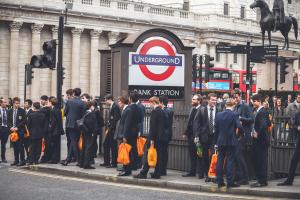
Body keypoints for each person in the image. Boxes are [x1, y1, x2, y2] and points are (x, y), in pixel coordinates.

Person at [134, 96, 165, 179]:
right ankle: (157, 173)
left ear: (153, 102)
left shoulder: (155, 111)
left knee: (148, 155)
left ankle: (143, 173)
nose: (149, 105)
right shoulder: (161, 111)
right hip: (159, 138)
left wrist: (152, 139)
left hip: (154, 138)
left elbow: (154, 127)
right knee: (157, 156)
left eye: (150, 103)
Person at [215, 98, 242, 188]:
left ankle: (219, 181)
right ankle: (230, 182)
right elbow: (239, 126)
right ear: (233, 106)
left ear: (225, 105)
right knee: (230, 161)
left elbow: (216, 129)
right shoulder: (235, 114)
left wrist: (216, 141)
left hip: (220, 140)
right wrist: (240, 135)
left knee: (220, 160)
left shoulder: (218, 115)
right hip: (231, 141)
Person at [196, 93, 219, 182]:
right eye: (212, 100)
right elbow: (198, 124)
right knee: (205, 156)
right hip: (204, 136)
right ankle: (207, 175)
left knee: (214, 155)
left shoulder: (219, 110)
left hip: (214, 136)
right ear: (208, 100)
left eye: (215, 100)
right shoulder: (202, 110)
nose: (214, 102)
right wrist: (197, 135)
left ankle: (213, 174)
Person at [233, 88, 254, 185]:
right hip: (236, 135)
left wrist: (241, 118)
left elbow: (251, 119)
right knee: (237, 157)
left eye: (236, 97)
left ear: (240, 96)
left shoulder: (245, 106)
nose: (235, 99)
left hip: (243, 135)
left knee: (240, 156)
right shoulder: (235, 107)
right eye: (233, 97)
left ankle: (245, 178)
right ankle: (239, 177)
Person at [118, 92, 142, 176]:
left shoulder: (129, 109)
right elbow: (139, 121)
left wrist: (124, 136)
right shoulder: (139, 108)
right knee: (133, 151)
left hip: (128, 134)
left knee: (126, 151)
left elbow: (127, 123)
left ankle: (126, 169)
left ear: (130, 99)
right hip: (134, 133)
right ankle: (132, 166)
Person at [250, 94, 271, 187]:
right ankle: (262, 180)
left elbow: (263, 124)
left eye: (254, 101)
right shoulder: (262, 111)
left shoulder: (262, 111)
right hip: (262, 140)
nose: (253, 103)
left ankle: (261, 181)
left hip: (260, 141)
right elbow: (268, 123)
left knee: (260, 161)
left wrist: (257, 132)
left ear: (258, 101)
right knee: (260, 160)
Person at [61, 88, 85, 166]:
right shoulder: (82, 103)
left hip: (70, 124)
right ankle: (71, 159)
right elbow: (83, 115)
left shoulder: (69, 102)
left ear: (74, 93)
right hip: (78, 125)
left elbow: (65, 112)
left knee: (73, 142)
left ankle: (77, 160)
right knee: (74, 142)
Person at [277, 109, 300, 186]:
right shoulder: (298, 113)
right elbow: (293, 125)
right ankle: (289, 181)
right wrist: (297, 127)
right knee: (294, 160)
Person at [182, 94, 202, 178]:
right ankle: (192, 171)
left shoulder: (202, 109)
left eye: (194, 99)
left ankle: (201, 173)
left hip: (198, 137)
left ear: (199, 101)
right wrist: (186, 133)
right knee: (192, 154)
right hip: (191, 136)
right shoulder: (192, 109)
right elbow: (189, 122)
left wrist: (198, 136)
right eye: (192, 99)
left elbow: (202, 124)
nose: (192, 101)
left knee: (200, 154)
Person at [101, 94, 121, 168]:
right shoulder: (112, 106)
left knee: (112, 146)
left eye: (106, 99)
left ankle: (113, 163)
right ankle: (107, 162)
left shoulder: (115, 107)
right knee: (106, 145)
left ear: (110, 99)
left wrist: (111, 128)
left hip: (113, 130)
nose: (105, 101)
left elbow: (116, 119)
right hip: (111, 129)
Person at [79, 101, 99, 169]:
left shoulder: (85, 113)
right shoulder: (91, 114)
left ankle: (81, 163)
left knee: (84, 147)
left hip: (84, 132)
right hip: (89, 133)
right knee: (88, 148)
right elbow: (91, 125)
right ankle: (86, 164)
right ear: (91, 106)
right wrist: (93, 132)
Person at [8, 97, 26, 166]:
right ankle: (16, 160)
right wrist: (11, 127)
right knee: (15, 146)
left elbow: (24, 121)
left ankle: (22, 160)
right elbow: (8, 121)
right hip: (12, 132)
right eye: (16, 103)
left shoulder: (22, 111)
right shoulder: (9, 111)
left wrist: (17, 128)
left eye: (18, 103)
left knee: (20, 146)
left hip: (20, 131)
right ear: (13, 103)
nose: (18, 104)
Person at [159, 95, 173, 176]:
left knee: (161, 152)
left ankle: (161, 170)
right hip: (168, 134)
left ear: (161, 102)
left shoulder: (163, 111)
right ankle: (163, 169)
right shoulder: (170, 111)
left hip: (163, 134)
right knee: (165, 152)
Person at [48, 97, 64, 164]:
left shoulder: (52, 110)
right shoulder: (59, 110)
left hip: (54, 130)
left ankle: (53, 159)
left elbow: (53, 122)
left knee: (53, 145)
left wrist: (50, 129)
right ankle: (56, 159)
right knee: (57, 145)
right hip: (58, 130)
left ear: (51, 102)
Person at [39, 95, 51, 163]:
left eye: (42, 100)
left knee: (47, 144)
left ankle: (45, 158)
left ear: (46, 100)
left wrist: (45, 107)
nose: (41, 101)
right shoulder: (44, 108)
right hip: (43, 129)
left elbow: (40, 111)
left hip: (47, 129)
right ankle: (45, 157)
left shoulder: (47, 109)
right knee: (45, 144)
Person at [0, 98, 9, 163]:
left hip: (5, 129)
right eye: (4, 102)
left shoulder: (8, 110)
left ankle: (3, 158)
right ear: (1, 103)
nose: (6, 103)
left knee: (3, 144)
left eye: (6, 102)